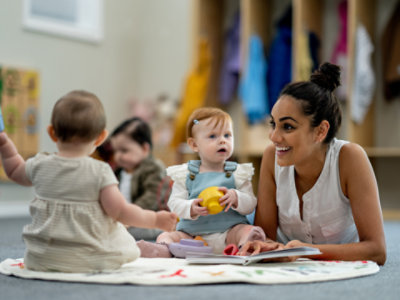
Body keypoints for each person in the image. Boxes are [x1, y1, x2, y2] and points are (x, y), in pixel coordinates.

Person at [0, 90, 177, 272]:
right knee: (122, 238)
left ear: (52, 132)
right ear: (101, 138)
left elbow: (14, 170)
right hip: (88, 259)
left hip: (40, 258)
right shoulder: (100, 171)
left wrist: (6, 146)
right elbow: (120, 212)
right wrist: (155, 219)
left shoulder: (39, 164)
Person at [238, 62, 387, 265]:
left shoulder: (350, 158)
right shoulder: (271, 156)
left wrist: (305, 252)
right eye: (274, 124)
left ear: (320, 131)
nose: (274, 136)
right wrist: (260, 245)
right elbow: (266, 237)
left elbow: (376, 250)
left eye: (287, 127)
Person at [138, 107, 270, 257]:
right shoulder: (186, 174)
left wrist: (236, 197)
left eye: (227, 135)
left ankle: (245, 246)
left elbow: (251, 204)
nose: (222, 140)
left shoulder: (237, 173)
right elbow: (174, 203)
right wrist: (191, 207)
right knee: (167, 236)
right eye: (213, 136)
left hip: (228, 233)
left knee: (246, 230)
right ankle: (163, 249)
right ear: (194, 145)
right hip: (192, 237)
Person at [110, 117, 172, 240]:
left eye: (124, 150)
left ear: (144, 149)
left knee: (140, 231)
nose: (118, 156)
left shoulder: (153, 168)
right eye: (115, 151)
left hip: (149, 219)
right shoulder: (119, 171)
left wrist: (128, 216)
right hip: (125, 218)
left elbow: (151, 198)